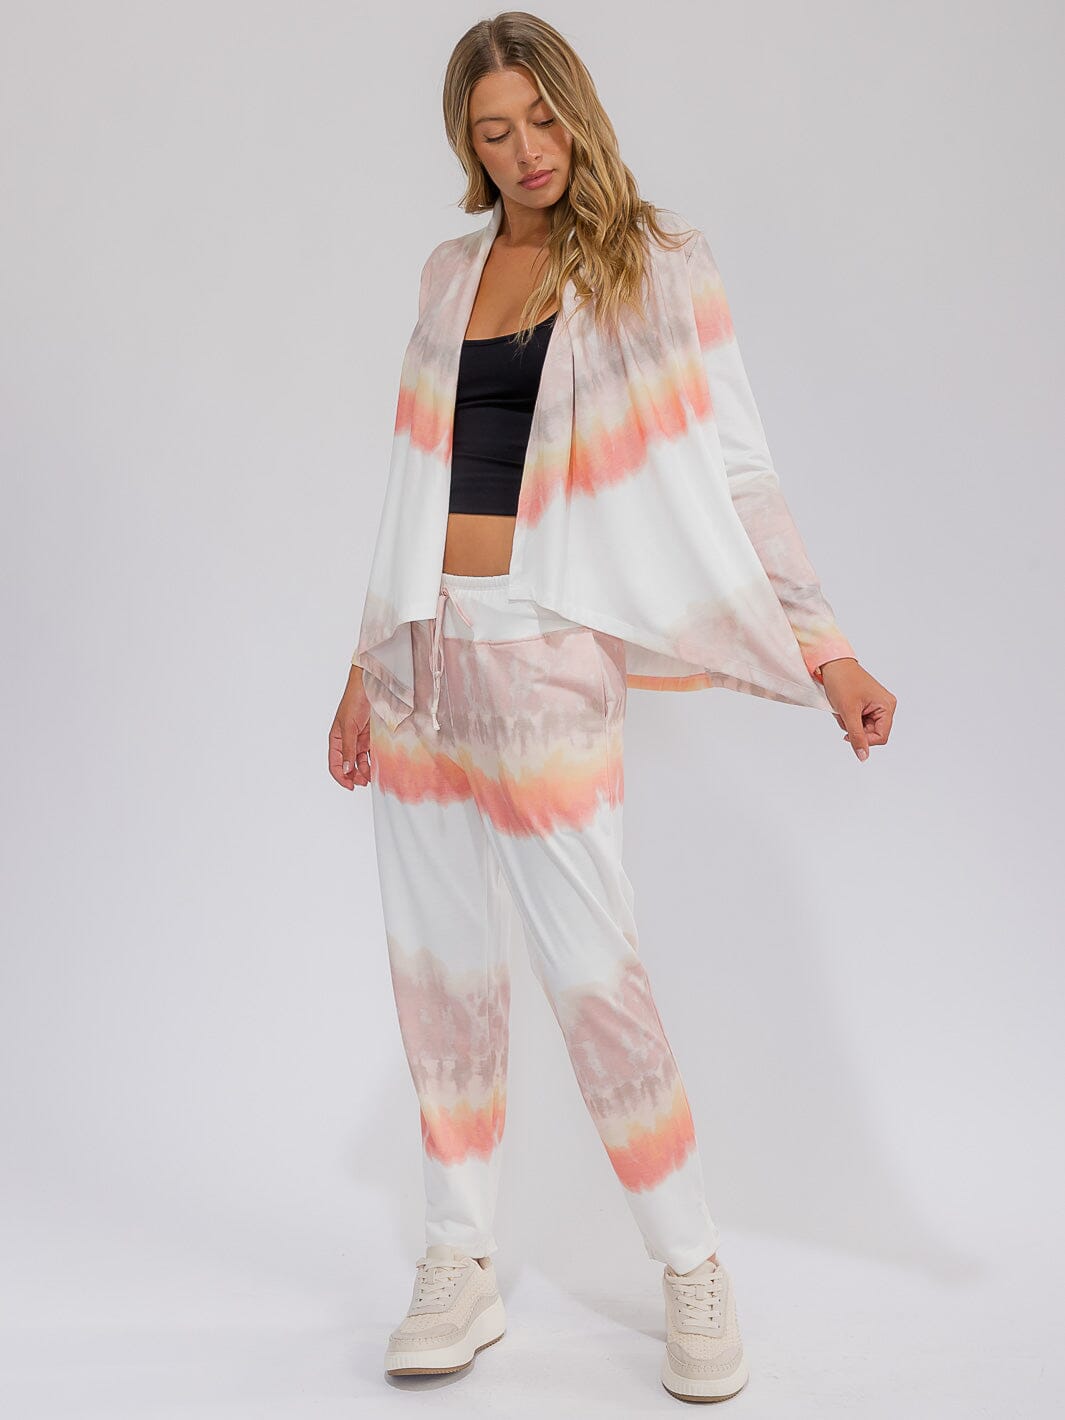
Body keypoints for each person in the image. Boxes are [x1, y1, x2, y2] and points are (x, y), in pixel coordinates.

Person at [328, 11, 896, 1404]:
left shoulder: (656, 263)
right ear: (467, 147)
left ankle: (690, 1264)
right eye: (493, 132)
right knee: (439, 973)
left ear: (575, 110)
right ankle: (457, 1257)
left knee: (596, 975)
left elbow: (737, 472)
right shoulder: (447, 273)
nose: (525, 150)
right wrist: (361, 662)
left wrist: (825, 650)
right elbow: (410, 472)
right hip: (422, 656)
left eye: (539, 117)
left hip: (545, 654)